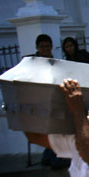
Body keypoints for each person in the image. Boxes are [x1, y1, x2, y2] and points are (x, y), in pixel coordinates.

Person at [31, 34, 71, 170]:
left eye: (47, 46)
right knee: (51, 130)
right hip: (41, 100)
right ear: (37, 47)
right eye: (42, 47)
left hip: (55, 99)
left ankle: (48, 156)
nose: (45, 49)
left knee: (56, 129)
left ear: (51, 46)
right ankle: (53, 158)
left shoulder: (54, 61)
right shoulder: (33, 63)